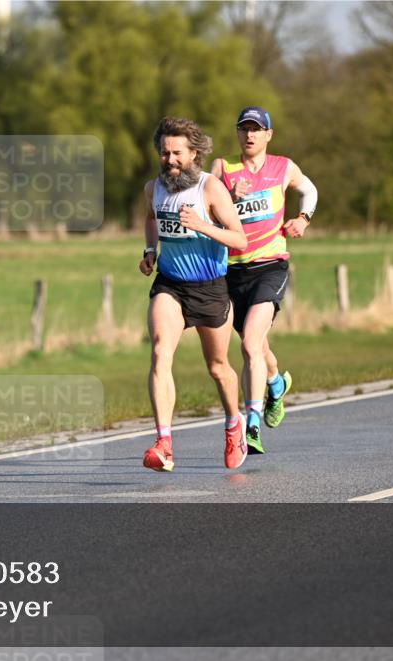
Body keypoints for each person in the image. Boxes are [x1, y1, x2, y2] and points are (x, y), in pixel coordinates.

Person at [140, 117, 250, 472]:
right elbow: (151, 218)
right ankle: (164, 442)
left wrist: (202, 225)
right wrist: (150, 251)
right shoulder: (152, 188)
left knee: (218, 368)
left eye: (177, 154)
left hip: (210, 287)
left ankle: (235, 426)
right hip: (170, 285)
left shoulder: (210, 188)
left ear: (195, 153)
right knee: (160, 351)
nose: (170, 160)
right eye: (164, 153)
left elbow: (240, 239)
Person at [210, 106, 318, 454]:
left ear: (268, 134)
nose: (250, 135)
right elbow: (205, 211)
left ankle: (251, 424)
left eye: (256, 129)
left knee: (248, 345)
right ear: (237, 133)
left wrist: (303, 217)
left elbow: (310, 190)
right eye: (244, 129)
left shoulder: (283, 167)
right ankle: (275, 383)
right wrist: (229, 197)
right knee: (258, 347)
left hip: (269, 266)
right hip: (230, 270)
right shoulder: (222, 168)